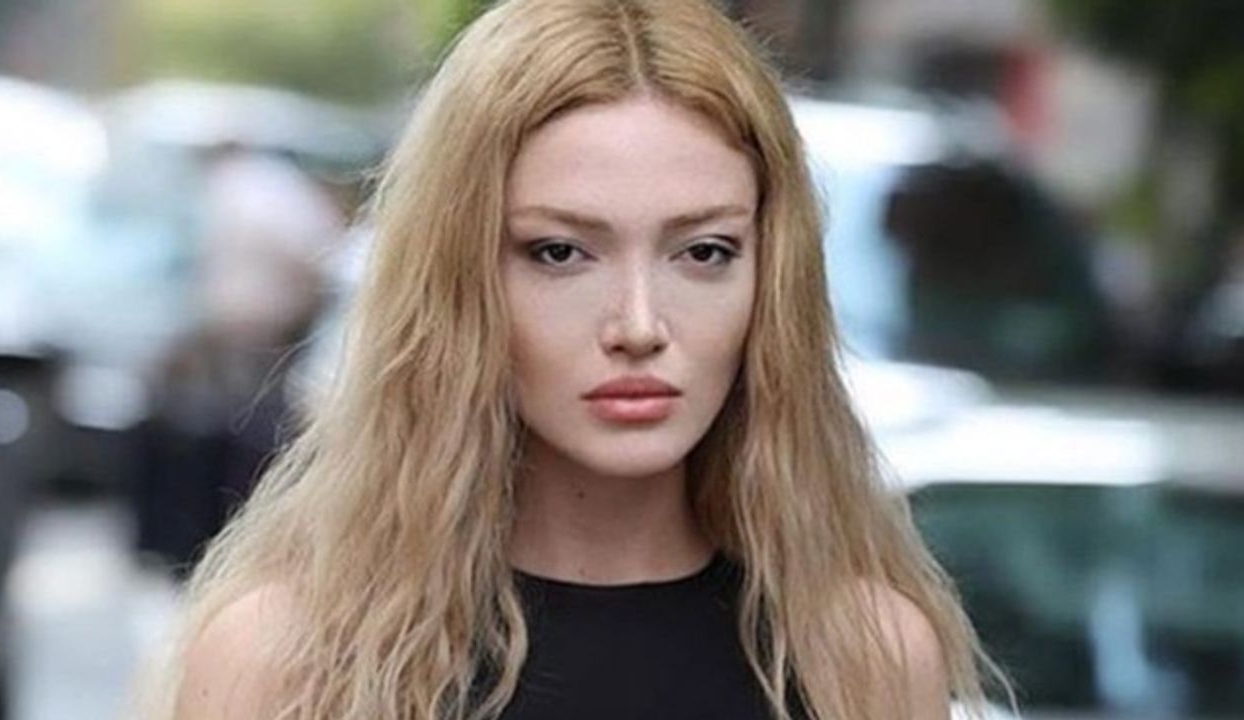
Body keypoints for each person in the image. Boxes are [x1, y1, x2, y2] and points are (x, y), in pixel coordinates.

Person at [137, 1, 1004, 718]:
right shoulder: (287, 661)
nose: (639, 325)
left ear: (772, 283)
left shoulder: (863, 659)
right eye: (560, 253)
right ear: (461, 280)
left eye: (703, 252)